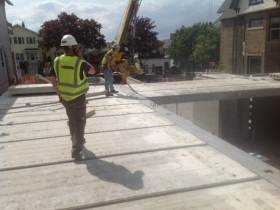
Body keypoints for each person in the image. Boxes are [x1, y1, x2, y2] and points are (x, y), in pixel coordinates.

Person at [50, 34, 96, 159]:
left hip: (65, 97)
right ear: (73, 48)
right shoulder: (79, 62)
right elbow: (92, 71)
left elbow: (53, 80)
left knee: (72, 121)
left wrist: (59, 94)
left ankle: (75, 139)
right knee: (80, 122)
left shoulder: (57, 61)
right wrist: (81, 57)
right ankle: (76, 150)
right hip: (78, 97)